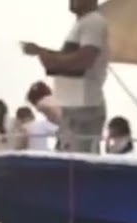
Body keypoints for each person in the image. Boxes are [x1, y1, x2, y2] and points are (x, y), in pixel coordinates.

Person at [21, 0, 109, 154]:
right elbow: (70, 57)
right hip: (75, 109)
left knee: (78, 161)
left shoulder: (92, 22)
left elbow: (85, 59)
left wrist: (50, 59)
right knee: (70, 158)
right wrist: (41, 52)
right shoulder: (84, 23)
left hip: (84, 107)